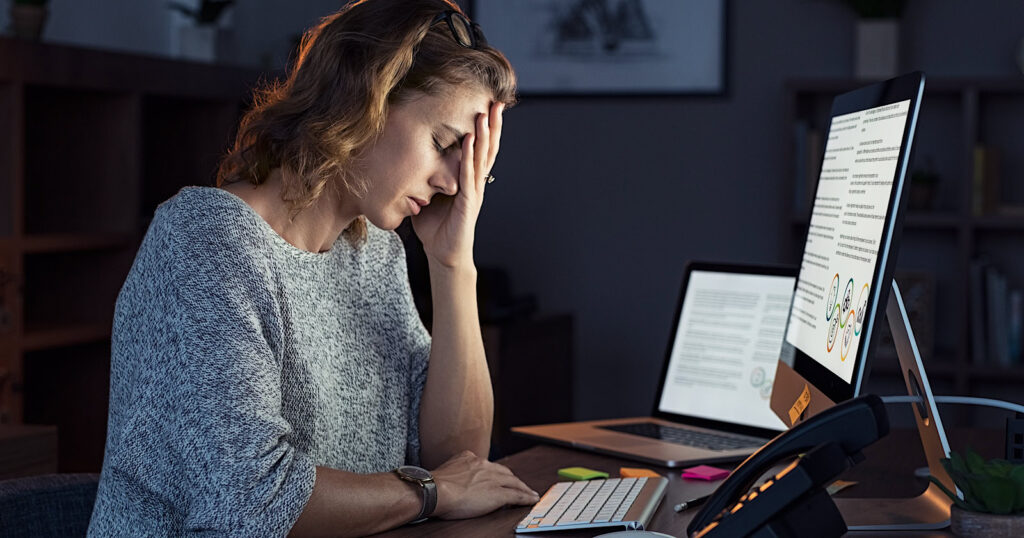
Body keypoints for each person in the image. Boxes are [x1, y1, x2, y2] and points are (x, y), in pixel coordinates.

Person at [88, 1, 540, 536]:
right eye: (444, 144)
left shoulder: (374, 253)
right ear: (363, 99)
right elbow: (251, 498)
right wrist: (433, 493)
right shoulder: (204, 241)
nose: (452, 182)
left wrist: (452, 262)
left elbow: (461, 461)